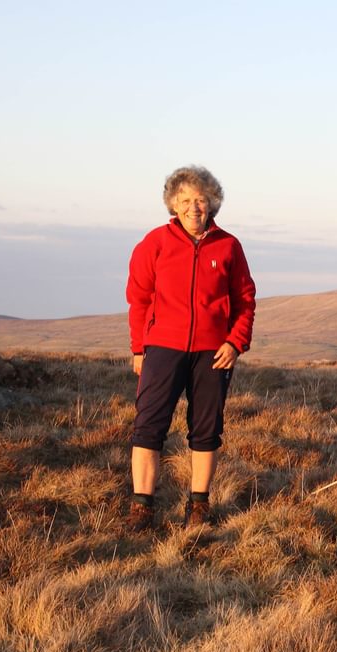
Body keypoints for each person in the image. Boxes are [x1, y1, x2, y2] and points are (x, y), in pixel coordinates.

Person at [124, 165, 256, 532]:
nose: (193, 207)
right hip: (162, 348)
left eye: (200, 200)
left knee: (206, 430)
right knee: (148, 428)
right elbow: (139, 299)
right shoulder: (154, 243)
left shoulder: (229, 246)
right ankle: (142, 508)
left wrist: (235, 342)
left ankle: (199, 505)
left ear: (212, 203)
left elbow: (245, 300)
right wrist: (140, 349)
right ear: (173, 205)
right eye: (185, 200)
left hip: (213, 352)